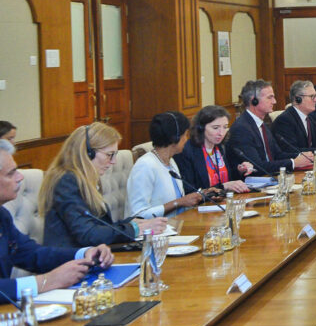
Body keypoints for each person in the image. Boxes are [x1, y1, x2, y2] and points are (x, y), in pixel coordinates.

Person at [1, 148, 115, 301]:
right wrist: (45, 281)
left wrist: (85, 253)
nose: (20, 177)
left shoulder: (2, 216)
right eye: (11, 173)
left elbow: (33, 254)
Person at [40, 122, 166, 248]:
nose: (113, 161)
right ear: (88, 153)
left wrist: (133, 223)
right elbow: (87, 234)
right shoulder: (67, 181)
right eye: (109, 155)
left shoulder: (85, 179)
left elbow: (97, 226)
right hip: (71, 258)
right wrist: (133, 229)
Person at [226, 79, 312, 177]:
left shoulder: (262, 125)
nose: (274, 101)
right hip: (253, 183)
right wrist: (293, 163)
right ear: (254, 101)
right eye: (270, 97)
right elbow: (257, 166)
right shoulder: (242, 129)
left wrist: (302, 156)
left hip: (270, 178)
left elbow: (277, 155)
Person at [126, 112, 205, 219]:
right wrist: (179, 202)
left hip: (178, 224)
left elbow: (180, 204)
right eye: (185, 135)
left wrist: (202, 194)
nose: (186, 140)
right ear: (175, 138)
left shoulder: (170, 161)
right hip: (156, 228)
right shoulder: (145, 166)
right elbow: (138, 215)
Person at [176, 105, 252, 193]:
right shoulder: (187, 151)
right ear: (201, 128)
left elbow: (227, 179)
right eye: (216, 128)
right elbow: (190, 191)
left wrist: (239, 171)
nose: (221, 133)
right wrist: (223, 187)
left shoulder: (220, 147)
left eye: (225, 127)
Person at [272, 80, 316, 156]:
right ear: (298, 99)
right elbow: (291, 151)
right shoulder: (285, 121)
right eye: (312, 97)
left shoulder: (309, 118)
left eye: (315, 96)